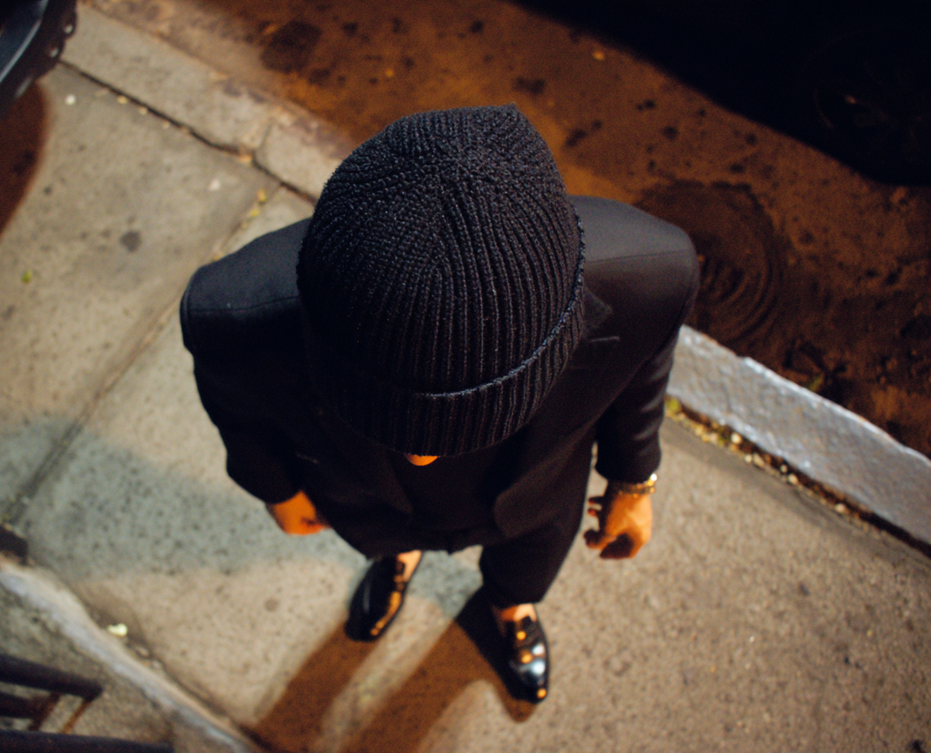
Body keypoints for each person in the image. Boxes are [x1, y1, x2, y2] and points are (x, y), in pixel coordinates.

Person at [181, 105, 698, 703]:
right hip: (371, 498)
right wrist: (275, 486)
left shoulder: (652, 278)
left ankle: (511, 604)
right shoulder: (230, 316)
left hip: (538, 488)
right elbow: (236, 408)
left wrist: (636, 479)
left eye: (469, 421)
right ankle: (399, 560)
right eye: (388, 417)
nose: (422, 455)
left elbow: (640, 370)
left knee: (528, 559)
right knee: (394, 534)